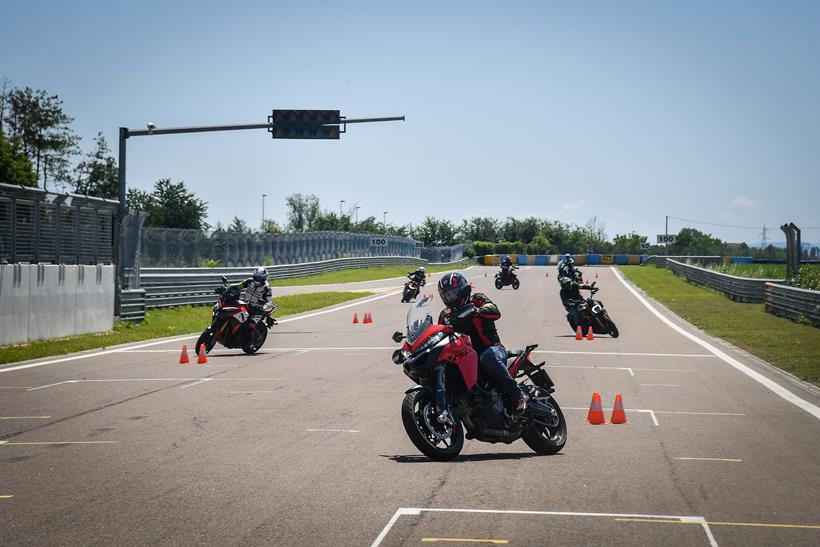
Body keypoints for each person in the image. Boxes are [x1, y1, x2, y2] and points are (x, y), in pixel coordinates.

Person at [436, 272, 526, 414]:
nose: (450, 298)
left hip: (492, 348)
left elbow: (495, 311)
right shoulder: (445, 315)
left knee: (488, 357)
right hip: (465, 356)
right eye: (447, 295)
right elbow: (440, 333)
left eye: (453, 293)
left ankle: (517, 395)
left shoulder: (477, 300)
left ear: (463, 290)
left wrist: (478, 311)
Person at [231, 267, 278, 337]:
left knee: (251, 325)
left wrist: (263, 307)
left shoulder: (266, 288)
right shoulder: (249, 281)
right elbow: (237, 286)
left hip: (256, 309)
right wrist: (227, 288)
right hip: (245, 305)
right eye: (256, 277)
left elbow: (269, 302)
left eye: (260, 278)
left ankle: (249, 340)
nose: (257, 280)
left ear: (264, 278)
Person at [557, 259, 592, 329]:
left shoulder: (574, 284)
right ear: (563, 285)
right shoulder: (562, 292)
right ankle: (579, 326)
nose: (568, 285)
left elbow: (582, 286)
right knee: (576, 313)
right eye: (566, 284)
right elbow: (565, 301)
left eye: (568, 283)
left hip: (580, 301)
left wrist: (591, 288)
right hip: (571, 306)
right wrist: (570, 301)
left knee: (591, 303)